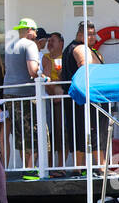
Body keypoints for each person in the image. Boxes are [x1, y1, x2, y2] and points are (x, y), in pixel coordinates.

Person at [64, 22, 108, 167]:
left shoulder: (72, 49)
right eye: (89, 34)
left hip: (77, 97)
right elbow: (84, 66)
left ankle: (79, 167)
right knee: (94, 131)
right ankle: (101, 166)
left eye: (94, 33)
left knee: (79, 131)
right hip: (88, 97)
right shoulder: (80, 48)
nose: (93, 37)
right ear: (80, 35)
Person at [3, 18, 42, 168]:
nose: (36, 34)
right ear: (30, 30)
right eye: (35, 31)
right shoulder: (30, 44)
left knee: (20, 134)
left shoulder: (10, 45)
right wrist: (44, 78)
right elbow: (33, 70)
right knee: (35, 132)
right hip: (25, 94)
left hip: (8, 94)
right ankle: (32, 169)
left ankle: (26, 167)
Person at [41, 32, 70, 165]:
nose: (50, 43)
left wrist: (59, 78)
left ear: (61, 44)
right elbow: (45, 79)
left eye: (53, 40)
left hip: (62, 100)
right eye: (49, 41)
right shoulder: (45, 58)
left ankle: (60, 166)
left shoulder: (67, 57)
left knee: (62, 133)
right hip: (49, 99)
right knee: (50, 134)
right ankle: (51, 166)